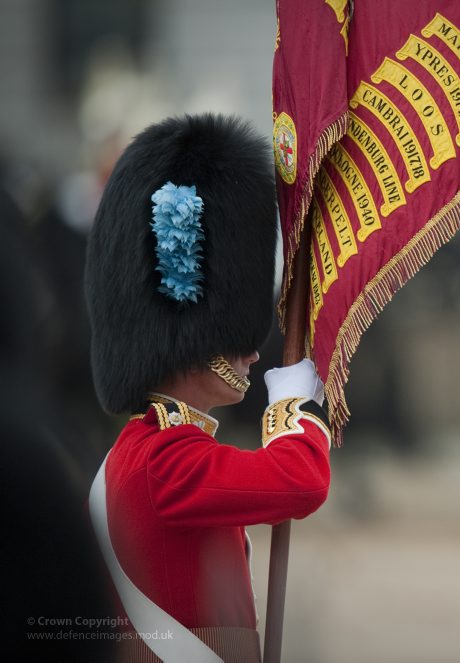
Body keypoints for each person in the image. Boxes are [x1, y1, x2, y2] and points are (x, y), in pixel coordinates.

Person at [84, 113, 332, 662]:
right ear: (192, 337)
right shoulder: (164, 461)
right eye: (236, 335)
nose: (252, 352)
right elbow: (301, 480)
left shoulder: (154, 449)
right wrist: (296, 403)